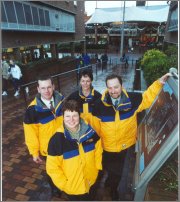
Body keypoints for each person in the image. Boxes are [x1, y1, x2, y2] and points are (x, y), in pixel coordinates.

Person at [89, 73, 171, 200]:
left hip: (124, 146)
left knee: (117, 172)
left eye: (116, 87)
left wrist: (158, 83)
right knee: (103, 168)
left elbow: (147, 98)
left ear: (122, 86)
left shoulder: (133, 99)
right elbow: (94, 127)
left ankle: (112, 189)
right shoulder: (98, 105)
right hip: (106, 147)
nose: (113, 91)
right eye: (110, 88)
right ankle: (104, 184)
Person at [46, 100, 103, 201]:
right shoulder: (56, 140)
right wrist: (64, 185)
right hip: (72, 188)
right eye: (67, 116)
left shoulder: (90, 132)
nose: (71, 120)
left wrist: (96, 169)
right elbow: (52, 168)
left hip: (91, 181)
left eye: (74, 116)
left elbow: (98, 151)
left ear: (79, 116)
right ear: (63, 117)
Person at [23, 75, 64, 196]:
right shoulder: (32, 110)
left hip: (64, 143)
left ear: (53, 87)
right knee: (52, 170)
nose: (47, 91)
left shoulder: (61, 100)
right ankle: (54, 188)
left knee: (65, 166)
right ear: (38, 89)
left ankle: (64, 184)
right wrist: (34, 152)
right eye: (43, 88)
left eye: (49, 87)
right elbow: (30, 134)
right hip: (48, 149)